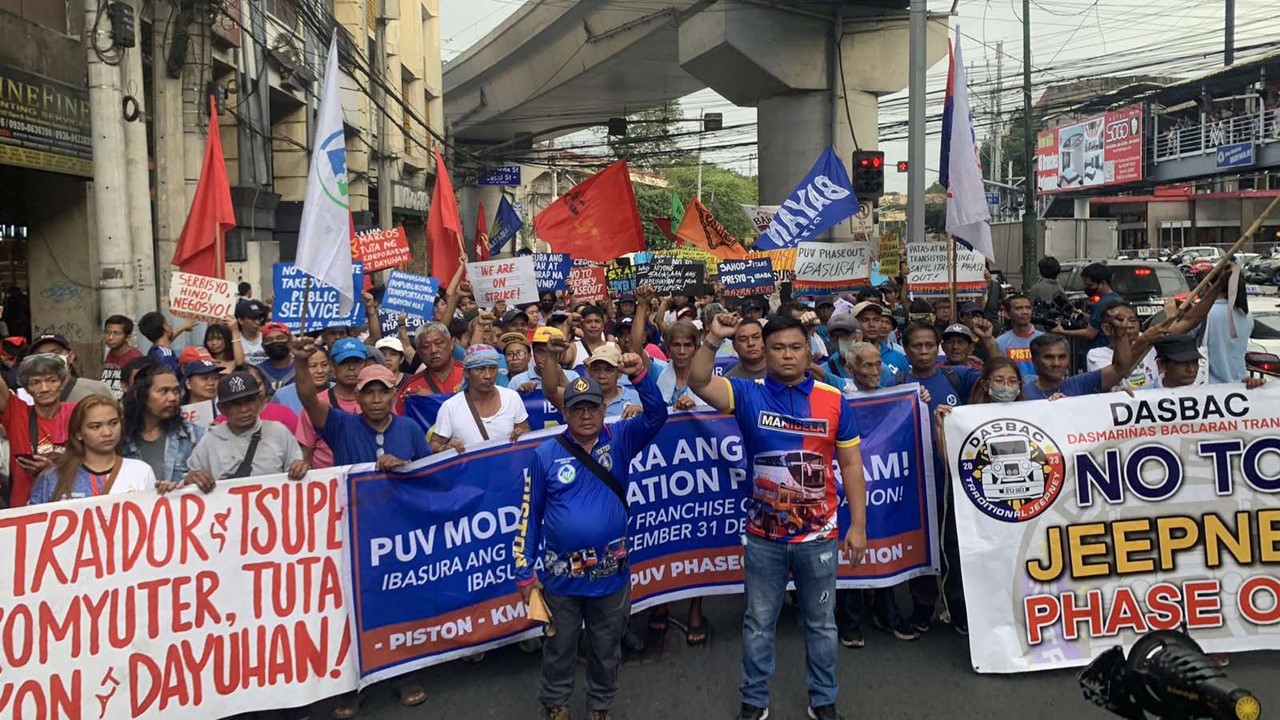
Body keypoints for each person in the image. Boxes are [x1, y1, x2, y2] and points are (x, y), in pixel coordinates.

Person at [685, 313, 867, 720]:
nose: (787, 355)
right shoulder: (746, 394)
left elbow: (852, 465)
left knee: (821, 625)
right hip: (764, 539)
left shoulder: (834, 399)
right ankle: (754, 701)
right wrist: (714, 337)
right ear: (764, 353)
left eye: (795, 347)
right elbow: (697, 380)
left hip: (819, 538)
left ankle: (823, 701)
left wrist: (858, 524)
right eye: (778, 348)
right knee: (757, 624)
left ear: (808, 350)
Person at [514, 355, 667, 720]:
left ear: (603, 409)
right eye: (577, 408)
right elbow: (528, 516)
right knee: (559, 645)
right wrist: (523, 572)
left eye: (592, 407)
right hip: (560, 580)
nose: (586, 415)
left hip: (610, 576)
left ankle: (599, 705)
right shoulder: (544, 454)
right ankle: (556, 703)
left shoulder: (621, 439)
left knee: (606, 645)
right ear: (565, 412)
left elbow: (657, 416)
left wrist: (642, 376)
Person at [291, 338, 430, 718]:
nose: (374, 400)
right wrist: (302, 364)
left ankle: (404, 673)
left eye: (382, 392)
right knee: (352, 610)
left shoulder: (411, 431)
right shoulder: (340, 425)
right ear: (358, 396)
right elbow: (307, 398)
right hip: (352, 533)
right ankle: (353, 684)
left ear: (391, 395)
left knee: (399, 604)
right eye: (367, 393)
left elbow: (431, 476)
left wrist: (403, 464)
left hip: (399, 534)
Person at [896, 321, 998, 636]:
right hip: (914, 485)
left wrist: (988, 341)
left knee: (955, 550)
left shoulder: (959, 376)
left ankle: (958, 610)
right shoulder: (897, 382)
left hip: (954, 484)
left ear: (938, 346)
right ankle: (923, 610)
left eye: (930, 345)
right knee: (922, 551)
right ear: (906, 348)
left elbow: (998, 371)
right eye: (917, 346)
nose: (924, 351)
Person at [182, 371, 308, 485]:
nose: (244, 409)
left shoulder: (278, 432)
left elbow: (296, 475)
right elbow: (190, 479)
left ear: (259, 401)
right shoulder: (210, 440)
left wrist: (299, 468)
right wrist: (192, 479)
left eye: (249, 401)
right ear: (222, 409)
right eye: (235, 404)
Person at [28, 395, 157, 504]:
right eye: (95, 427)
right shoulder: (52, 477)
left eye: (114, 423)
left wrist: (170, 495)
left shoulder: (141, 472)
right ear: (78, 432)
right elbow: (32, 525)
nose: (107, 432)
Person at [0, 354, 76, 507]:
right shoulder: (17, 414)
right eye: (35, 383)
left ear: (62, 383)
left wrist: (51, 470)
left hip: (71, 505)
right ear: (27, 389)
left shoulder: (78, 414)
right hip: (25, 509)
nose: (44, 389)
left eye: (51, 380)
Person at [431, 345, 530, 452]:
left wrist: (522, 433)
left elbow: (525, 429)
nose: (488, 375)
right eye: (480, 369)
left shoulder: (512, 398)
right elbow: (434, 445)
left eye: (492, 369)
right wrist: (445, 448)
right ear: (466, 373)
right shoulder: (451, 407)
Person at [121, 363, 205, 487]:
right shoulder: (120, 440)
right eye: (163, 391)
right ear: (141, 395)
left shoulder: (194, 436)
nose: (172, 398)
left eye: (176, 391)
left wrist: (188, 482)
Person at [296, 338, 367, 469]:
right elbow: (305, 455)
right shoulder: (318, 405)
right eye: (344, 363)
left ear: (365, 365)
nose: (351, 368)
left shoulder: (378, 402)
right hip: (328, 484)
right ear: (332, 367)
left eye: (357, 362)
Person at [1022, 332, 1135, 401]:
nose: (1056, 363)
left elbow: (1120, 370)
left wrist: (1121, 333)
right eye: (1049, 357)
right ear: (1035, 360)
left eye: (1062, 357)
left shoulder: (1082, 384)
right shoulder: (1023, 390)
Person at [397, 322, 465, 414]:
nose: (433, 350)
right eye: (426, 346)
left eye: (438, 343)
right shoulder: (411, 388)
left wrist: (431, 398)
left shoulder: (469, 374)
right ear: (419, 352)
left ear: (451, 344)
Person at [28, 333, 114, 403]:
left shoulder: (97, 389)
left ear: (70, 357)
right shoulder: (27, 395)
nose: (48, 359)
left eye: (55, 353)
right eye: (40, 355)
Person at [1054, 263, 1119, 350]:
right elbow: (1097, 321)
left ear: (1103, 283)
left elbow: (1090, 333)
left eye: (1090, 285)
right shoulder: (1115, 298)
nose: (1087, 289)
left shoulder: (1103, 303)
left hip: (1100, 349)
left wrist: (1063, 332)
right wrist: (1080, 315)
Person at [1205, 269, 1253, 384]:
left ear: (1211, 285)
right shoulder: (1246, 315)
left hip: (1210, 388)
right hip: (1240, 386)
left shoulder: (1205, 315)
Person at [509, 326, 580, 393]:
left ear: (560, 354)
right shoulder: (516, 381)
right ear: (533, 352)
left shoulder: (573, 376)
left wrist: (561, 377)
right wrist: (520, 394)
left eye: (552, 352)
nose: (546, 358)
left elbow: (580, 402)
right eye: (540, 351)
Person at [995, 294, 1043, 376]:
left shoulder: (1043, 339)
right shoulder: (1000, 342)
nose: (1025, 312)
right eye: (1019, 308)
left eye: (1028, 308)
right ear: (1007, 314)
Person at [274, 349, 331, 415]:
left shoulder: (338, 390)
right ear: (301, 368)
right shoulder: (283, 395)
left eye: (324, 365)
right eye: (313, 366)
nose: (320, 371)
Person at [101, 315, 143, 399]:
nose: (110, 337)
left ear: (127, 337)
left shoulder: (135, 359)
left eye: (116, 333)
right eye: (107, 332)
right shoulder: (110, 352)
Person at [257, 322, 296, 391]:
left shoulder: (302, 367)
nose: (275, 341)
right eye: (269, 340)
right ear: (263, 346)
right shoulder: (258, 372)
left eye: (280, 338)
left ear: (290, 341)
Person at [235, 298, 271, 365]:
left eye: (258, 318)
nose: (257, 322)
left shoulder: (267, 336)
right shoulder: (235, 341)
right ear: (240, 320)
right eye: (252, 318)